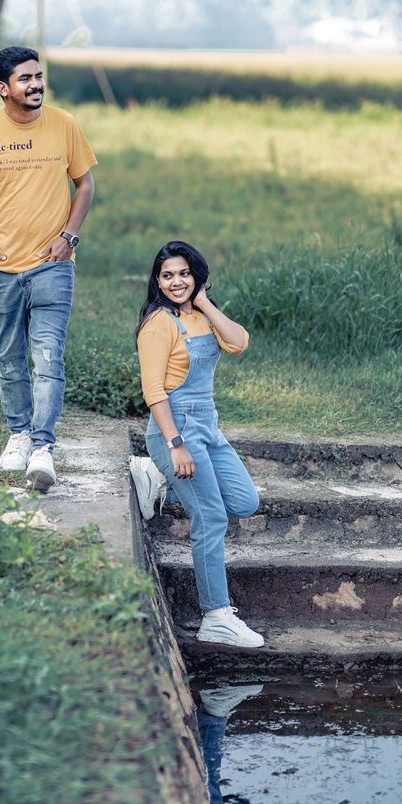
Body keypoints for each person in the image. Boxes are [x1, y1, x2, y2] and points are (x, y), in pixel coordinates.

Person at [0, 46, 97, 492]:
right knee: (9, 356)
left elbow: (85, 183)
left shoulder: (64, 124)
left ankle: (42, 448)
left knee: (48, 355)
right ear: (4, 88)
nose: (36, 85)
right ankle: (18, 434)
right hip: (3, 267)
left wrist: (69, 236)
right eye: (25, 79)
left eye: (39, 77)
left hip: (53, 264)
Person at [136, 241, 264, 647]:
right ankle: (216, 615)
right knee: (210, 516)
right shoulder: (159, 323)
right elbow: (153, 390)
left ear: (197, 276)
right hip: (176, 429)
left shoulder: (203, 318)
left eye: (184, 273)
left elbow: (239, 341)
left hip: (209, 427)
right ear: (157, 281)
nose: (177, 282)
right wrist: (175, 444)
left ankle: (156, 478)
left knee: (244, 502)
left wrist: (205, 303)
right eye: (168, 275)